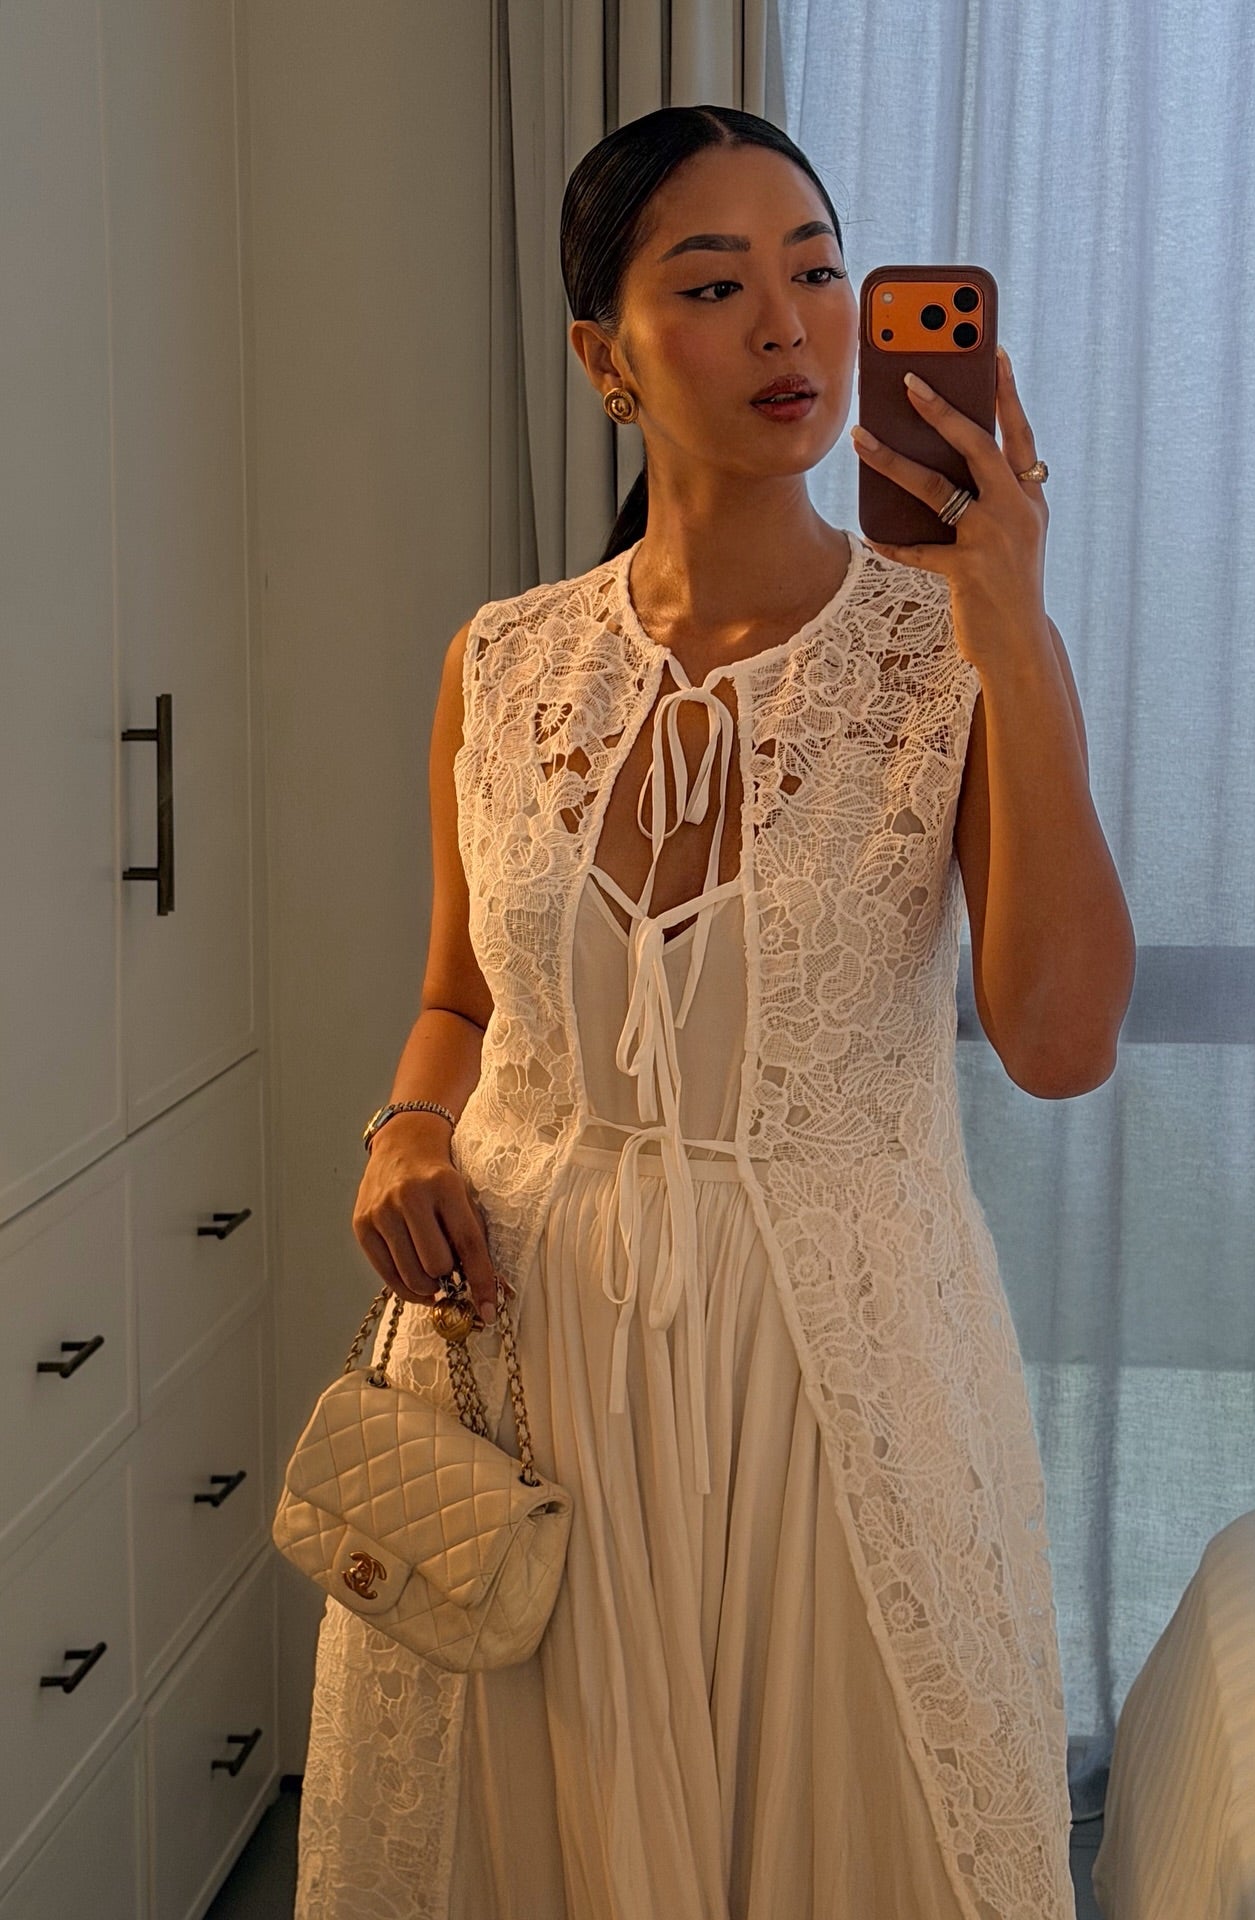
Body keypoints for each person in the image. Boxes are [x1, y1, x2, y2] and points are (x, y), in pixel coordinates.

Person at [294, 104, 1134, 1920]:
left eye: (820, 272)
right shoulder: (503, 661)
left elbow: (1063, 1044)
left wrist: (1012, 621)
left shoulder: (955, 654)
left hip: (839, 1378)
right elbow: (457, 1000)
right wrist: (407, 1129)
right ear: (604, 358)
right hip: (528, 1373)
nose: (789, 323)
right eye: (712, 282)